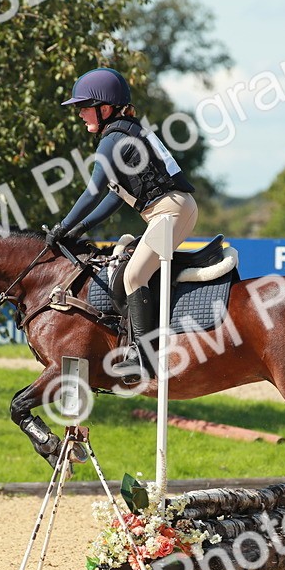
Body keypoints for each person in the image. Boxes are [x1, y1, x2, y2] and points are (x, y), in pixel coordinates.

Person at [45, 67, 197, 382]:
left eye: (84, 107)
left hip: (169, 212)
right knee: (128, 268)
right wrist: (79, 229)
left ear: (105, 106)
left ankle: (145, 358)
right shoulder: (127, 132)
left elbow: (92, 191)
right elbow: (115, 197)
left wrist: (62, 226)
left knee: (134, 275)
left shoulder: (113, 138)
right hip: (170, 210)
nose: (80, 114)